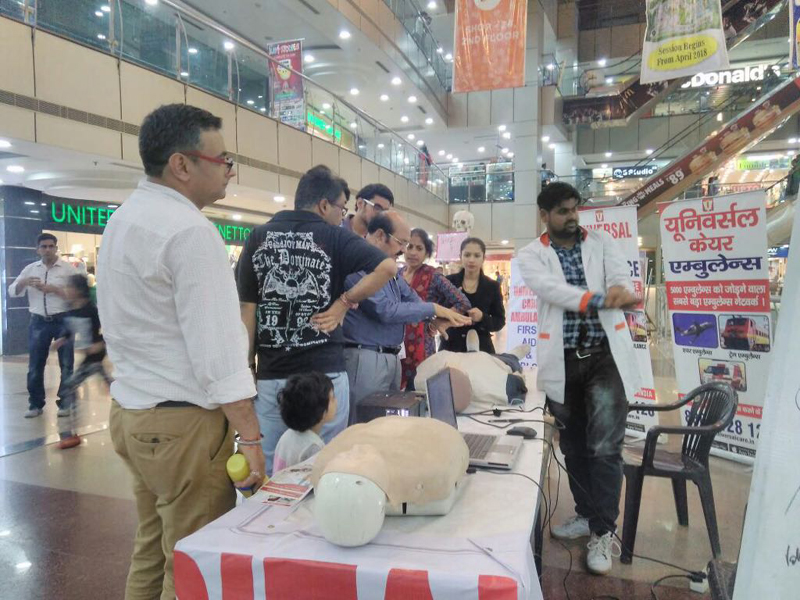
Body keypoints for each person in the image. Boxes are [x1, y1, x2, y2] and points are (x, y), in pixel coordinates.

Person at [98, 103, 264, 599]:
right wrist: (251, 438)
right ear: (181, 164)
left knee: (152, 548)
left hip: (133, 414)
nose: (230, 169)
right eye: (223, 159)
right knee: (192, 565)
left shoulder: (124, 219)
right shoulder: (190, 231)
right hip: (183, 427)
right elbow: (219, 355)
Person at [237, 165, 398, 475]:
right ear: (324, 205)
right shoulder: (335, 237)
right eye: (341, 208)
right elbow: (387, 268)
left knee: (271, 468)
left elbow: (248, 309)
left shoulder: (258, 236)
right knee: (327, 466)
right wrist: (344, 302)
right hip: (325, 375)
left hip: (273, 374)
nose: (342, 216)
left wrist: (248, 368)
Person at [517, 181, 640, 576]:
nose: (572, 217)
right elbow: (552, 290)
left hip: (604, 358)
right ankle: (587, 514)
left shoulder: (601, 242)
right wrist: (597, 299)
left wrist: (619, 289)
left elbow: (619, 277)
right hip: (564, 362)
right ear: (545, 215)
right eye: (563, 211)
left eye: (575, 209)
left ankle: (603, 531)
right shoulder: (530, 255)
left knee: (604, 447)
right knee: (572, 446)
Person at [343, 213, 471, 420]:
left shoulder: (389, 268)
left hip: (392, 358)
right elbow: (385, 310)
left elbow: (410, 296)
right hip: (366, 357)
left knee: (390, 425)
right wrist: (432, 309)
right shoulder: (357, 263)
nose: (404, 251)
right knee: (364, 425)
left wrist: (433, 319)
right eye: (402, 243)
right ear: (380, 235)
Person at [8, 233, 77, 418]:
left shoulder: (68, 270)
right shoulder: (30, 269)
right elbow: (12, 291)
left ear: (56, 248)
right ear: (37, 249)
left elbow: (79, 296)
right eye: (43, 246)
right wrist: (23, 282)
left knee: (67, 364)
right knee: (35, 365)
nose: (47, 250)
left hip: (63, 320)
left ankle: (65, 403)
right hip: (39, 321)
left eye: (51, 246)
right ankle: (35, 404)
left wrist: (55, 290)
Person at [399, 228, 471, 389]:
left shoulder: (433, 276)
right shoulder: (397, 274)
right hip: (396, 345)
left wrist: (441, 322)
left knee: (420, 390)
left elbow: (463, 302)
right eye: (409, 246)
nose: (413, 252)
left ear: (426, 253)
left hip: (422, 345)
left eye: (419, 248)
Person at [53, 274, 113, 449]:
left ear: (79, 290)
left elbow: (108, 330)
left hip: (95, 356)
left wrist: (101, 344)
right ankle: (114, 386)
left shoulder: (91, 310)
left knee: (69, 386)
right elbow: (69, 329)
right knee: (77, 384)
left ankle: (70, 434)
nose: (66, 290)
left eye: (69, 287)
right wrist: (62, 339)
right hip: (89, 357)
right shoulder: (70, 308)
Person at [441, 237, 506, 354]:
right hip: (451, 347)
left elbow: (499, 322)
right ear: (460, 256)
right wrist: (450, 309)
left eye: (476, 256)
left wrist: (482, 318)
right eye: (467, 255)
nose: (471, 260)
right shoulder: (448, 282)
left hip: (481, 349)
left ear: (483, 258)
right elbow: (436, 312)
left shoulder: (492, 286)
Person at [273, 372, 336, 473]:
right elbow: (316, 477)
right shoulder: (313, 447)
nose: (336, 401)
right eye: (332, 398)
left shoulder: (288, 435)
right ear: (321, 411)